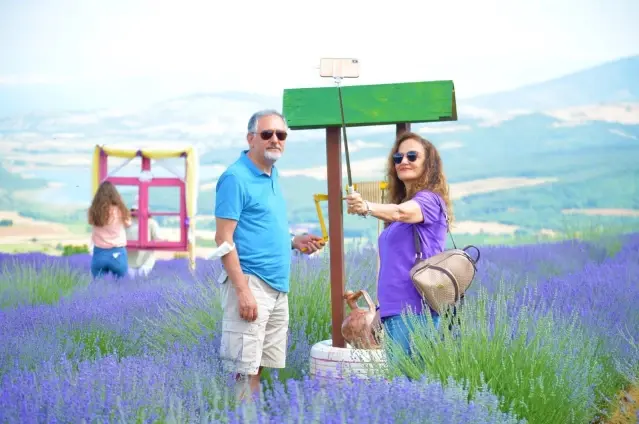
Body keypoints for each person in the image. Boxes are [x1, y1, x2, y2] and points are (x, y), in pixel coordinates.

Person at [214, 109, 325, 399]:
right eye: (267, 134)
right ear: (251, 138)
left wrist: (292, 241)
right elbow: (223, 239)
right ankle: (238, 417)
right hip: (251, 282)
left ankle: (250, 415)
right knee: (243, 369)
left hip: (277, 287)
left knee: (260, 366)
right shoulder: (235, 178)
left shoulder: (271, 174)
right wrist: (242, 291)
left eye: (281, 135)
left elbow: (258, 227)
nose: (275, 139)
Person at [345, 131, 453, 358]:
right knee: (402, 382)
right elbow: (393, 265)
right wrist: (379, 311)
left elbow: (401, 213)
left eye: (412, 156)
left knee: (415, 384)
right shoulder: (402, 208)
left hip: (417, 311)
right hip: (395, 312)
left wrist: (366, 206)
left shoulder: (430, 201)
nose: (403, 161)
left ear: (429, 165)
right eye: (398, 158)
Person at [87, 181, 132, 279]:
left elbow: (90, 222)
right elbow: (129, 223)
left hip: (99, 253)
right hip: (118, 252)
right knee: (122, 286)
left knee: (98, 287)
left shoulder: (94, 210)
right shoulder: (120, 210)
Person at [125, 195, 162, 278]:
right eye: (137, 209)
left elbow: (157, 239)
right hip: (129, 262)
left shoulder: (151, 223)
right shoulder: (127, 223)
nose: (140, 211)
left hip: (146, 261)